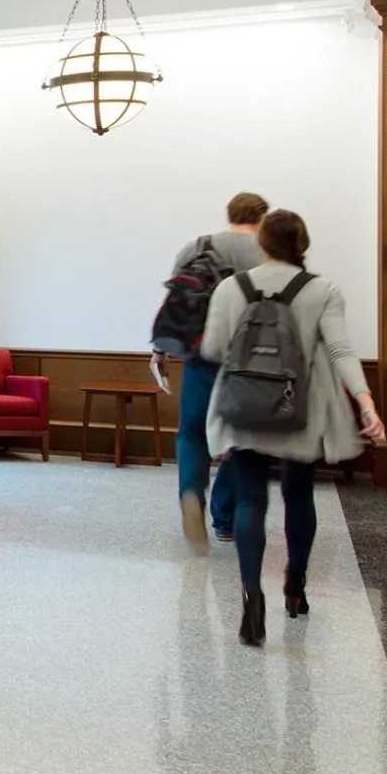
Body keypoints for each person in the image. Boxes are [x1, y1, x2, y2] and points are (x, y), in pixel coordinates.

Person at [200, 208, 387, 647]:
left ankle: (251, 599)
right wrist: (366, 403)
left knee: (249, 500)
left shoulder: (232, 288)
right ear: (301, 244)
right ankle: (295, 588)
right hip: (300, 411)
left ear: (262, 243)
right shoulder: (321, 289)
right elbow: (341, 349)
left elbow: (211, 347)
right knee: (299, 495)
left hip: (246, 408)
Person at [156, 192, 269, 547]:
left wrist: (160, 349)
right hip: (249, 360)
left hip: (201, 354)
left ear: (230, 215)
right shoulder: (268, 254)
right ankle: (225, 518)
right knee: (240, 437)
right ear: (262, 218)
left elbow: (174, 302)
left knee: (191, 431)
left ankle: (191, 491)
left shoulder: (196, 248)